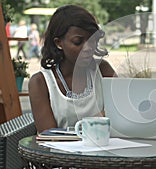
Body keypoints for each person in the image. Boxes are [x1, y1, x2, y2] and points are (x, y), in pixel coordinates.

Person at [28, 5, 116, 133]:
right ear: (59, 43)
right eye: (78, 41)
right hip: (59, 153)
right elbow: (50, 137)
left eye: (92, 40)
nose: (88, 47)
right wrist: (97, 121)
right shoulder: (40, 83)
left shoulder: (103, 70)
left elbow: (121, 113)